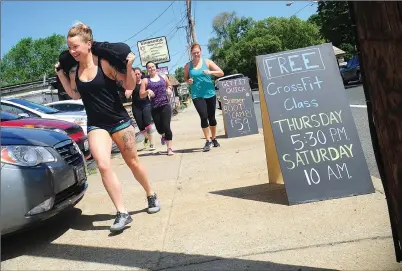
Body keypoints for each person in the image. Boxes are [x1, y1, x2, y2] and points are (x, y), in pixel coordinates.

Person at [54, 22, 160, 233]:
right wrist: (61, 75)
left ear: (88, 44)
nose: (72, 51)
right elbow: (75, 94)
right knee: (103, 165)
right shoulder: (75, 71)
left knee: (133, 163)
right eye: (70, 47)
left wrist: (129, 67)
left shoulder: (104, 63)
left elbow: (129, 86)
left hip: (119, 121)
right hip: (96, 124)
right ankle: (122, 212)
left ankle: (150, 194)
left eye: (75, 46)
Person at [184, 43, 224, 152]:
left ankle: (214, 138)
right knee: (203, 116)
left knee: (212, 117)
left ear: (200, 52)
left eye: (198, 52)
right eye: (194, 52)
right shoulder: (188, 66)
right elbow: (186, 78)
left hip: (210, 93)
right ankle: (208, 140)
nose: (196, 54)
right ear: (191, 53)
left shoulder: (207, 62)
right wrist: (188, 81)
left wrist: (210, 72)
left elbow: (221, 73)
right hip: (197, 95)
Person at [140, 61, 174, 156]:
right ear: (147, 70)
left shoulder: (163, 77)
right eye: (149, 67)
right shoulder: (145, 81)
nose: (152, 69)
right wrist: (147, 91)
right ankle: (163, 135)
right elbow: (141, 94)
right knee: (160, 129)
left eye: (153, 66)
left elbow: (169, 85)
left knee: (167, 127)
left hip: (165, 105)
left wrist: (169, 89)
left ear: (156, 68)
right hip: (154, 107)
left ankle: (169, 148)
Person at [125, 67, 155, 150]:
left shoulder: (145, 82)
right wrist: (127, 93)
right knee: (141, 127)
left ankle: (151, 143)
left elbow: (151, 90)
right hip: (136, 107)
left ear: (141, 74)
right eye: (135, 74)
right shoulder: (132, 84)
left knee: (147, 124)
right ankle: (146, 138)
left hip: (146, 104)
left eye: (138, 74)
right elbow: (128, 94)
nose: (137, 75)